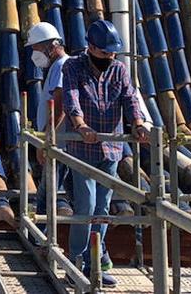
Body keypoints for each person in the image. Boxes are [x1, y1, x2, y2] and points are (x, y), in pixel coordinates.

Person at [61, 19, 149, 287]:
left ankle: (95, 265)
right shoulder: (73, 66)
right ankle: (76, 264)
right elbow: (71, 97)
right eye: (104, 52)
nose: (109, 57)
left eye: (113, 53)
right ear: (90, 47)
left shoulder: (119, 70)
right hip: (82, 148)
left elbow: (130, 98)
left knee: (102, 209)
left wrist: (138, 123)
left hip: (111, 148)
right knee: (85, 206)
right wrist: (80, 125)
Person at [25, 21, 72, 217]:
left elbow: (60, 106)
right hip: (58, 142)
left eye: (36, 49)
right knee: (60, 191)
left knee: (46, 196)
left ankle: (43, 233)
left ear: (51, 46)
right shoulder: (56, 67)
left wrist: (46, 139)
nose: (34, 54)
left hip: (57, 144)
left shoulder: (62, 66)